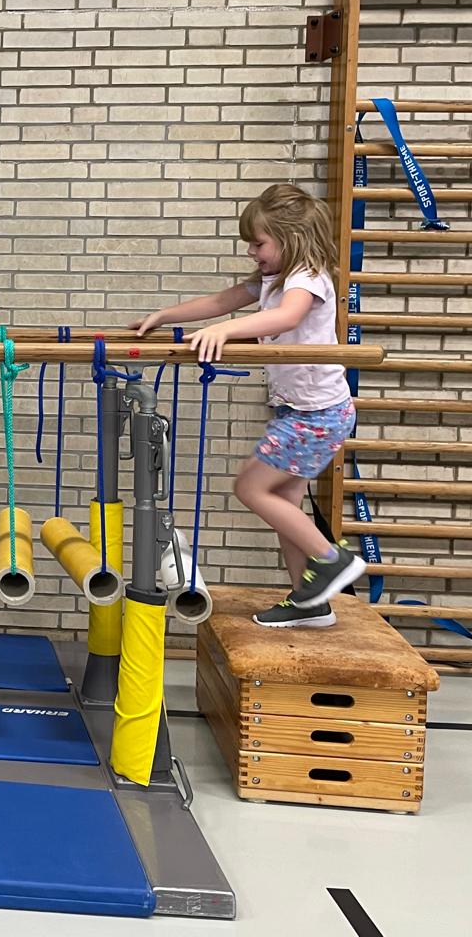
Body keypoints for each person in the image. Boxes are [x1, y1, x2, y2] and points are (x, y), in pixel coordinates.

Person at [134, 184, 364, 629]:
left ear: (291, 238)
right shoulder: (274, 279)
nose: (251, 251)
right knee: (284, 503)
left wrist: (225, 331)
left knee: (251, 488)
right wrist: (164, 316)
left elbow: (287, 316)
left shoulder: (307, 277)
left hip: (316, 415)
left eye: (258, 243)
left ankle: (331, 559)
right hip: (303, 412)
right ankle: (310, 602)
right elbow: (222, 301)